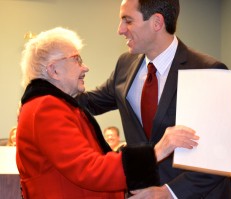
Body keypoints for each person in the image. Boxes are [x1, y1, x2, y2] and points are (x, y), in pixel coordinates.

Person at [77, 0, 231, 198]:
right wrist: (50, 78)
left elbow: (226, 153)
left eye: (127, 21)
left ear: (157, 22)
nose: (120, 30)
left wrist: (169, 193)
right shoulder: (125, 65)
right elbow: (88, 103)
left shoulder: (207, 69)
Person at [16, 27, 199, 199]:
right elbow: (89, 169)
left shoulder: (52, 106)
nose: (85, 67)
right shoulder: (45, 108)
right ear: (54, 70)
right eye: (77, 59)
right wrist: (158, 150)